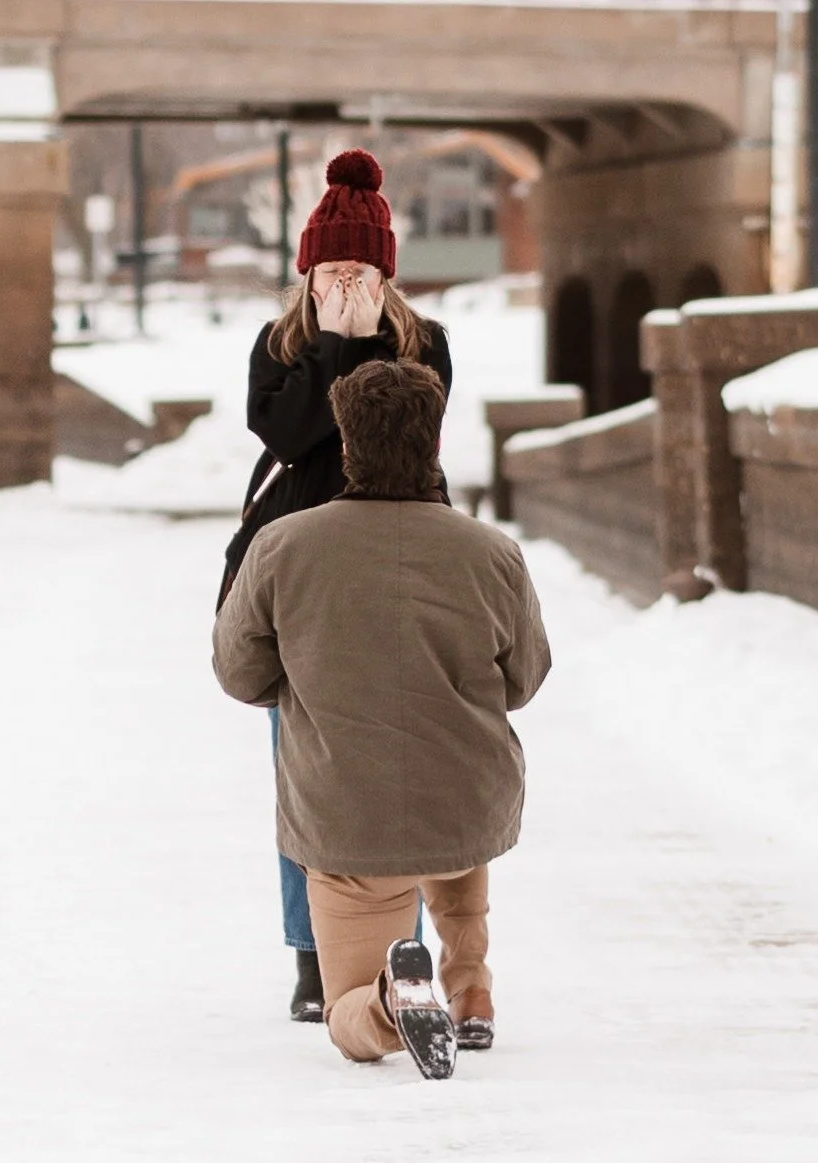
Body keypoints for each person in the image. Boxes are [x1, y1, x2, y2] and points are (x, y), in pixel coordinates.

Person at [213, 358, 551, 1080]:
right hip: (467, 810)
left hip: (346, 823)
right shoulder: (493, 553)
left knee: (343, 1015)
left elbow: (237, 673)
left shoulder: (284, 546)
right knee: (451, 802)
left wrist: (308, 676)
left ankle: (391, 1003)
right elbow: (523, 681)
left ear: (345, 447)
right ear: (434, 445)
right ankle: (472, 989)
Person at [219, 148, 453, 1022]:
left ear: (386, 272)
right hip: (303, 582)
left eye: (359, 270)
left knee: (399, 771)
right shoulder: (279, 347)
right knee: (305, 770)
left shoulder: (424, 346)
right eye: (329, 269)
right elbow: (285, 433)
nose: (343, 281)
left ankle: (404, 944)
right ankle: (314, 954)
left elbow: (403, 436)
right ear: (306, 272)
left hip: (395, 565)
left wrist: (364, 347)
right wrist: (334, 344)